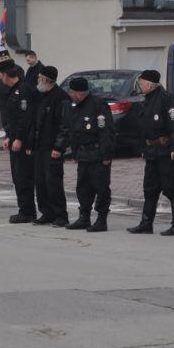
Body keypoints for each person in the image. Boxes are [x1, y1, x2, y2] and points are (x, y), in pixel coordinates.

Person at [127, 69, 174, 235]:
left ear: (148, 84)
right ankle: (146, 223)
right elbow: (143, 128)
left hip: (166, 151)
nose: (139, 86)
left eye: (141, 83)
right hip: (152, 151)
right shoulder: (146, 100)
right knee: (150, 188)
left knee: (172, 188)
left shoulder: (166, 99)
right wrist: (142, 149)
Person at [64, 77, 114, 232]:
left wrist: (106, 155)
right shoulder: (76, 106)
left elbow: (106, 132)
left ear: (79, 92)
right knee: (83, 187)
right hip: (83, 154)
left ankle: (101, 219)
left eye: (72, 92)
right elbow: (74, 131)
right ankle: (84, 217)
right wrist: (74, 151)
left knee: (101, 187)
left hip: (98, 154)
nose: (70, 95)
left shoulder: (98, 106)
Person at [29, 65, 69, 225]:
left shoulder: (61, 98)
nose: (37, 80)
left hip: (52, 148)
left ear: (46, 79)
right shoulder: (42, 96)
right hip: (40, 146)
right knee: (40, 182)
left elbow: (65, 126)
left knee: (53, 182)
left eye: (39, 77)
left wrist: (59, 147)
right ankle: (46, 212)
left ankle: (60, 215)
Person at [0, 62, 37, 224]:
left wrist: (19, 138)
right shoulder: (12, 91)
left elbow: (25, 118)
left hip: (24, 142)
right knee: (17, 177)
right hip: (14, 139)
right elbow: (11, 120)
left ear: (6, 75)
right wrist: (8, 136)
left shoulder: (24, 90)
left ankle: (28, 211)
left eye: (0, 75)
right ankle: (24, 209)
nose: (0, 78)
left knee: (24, 177)